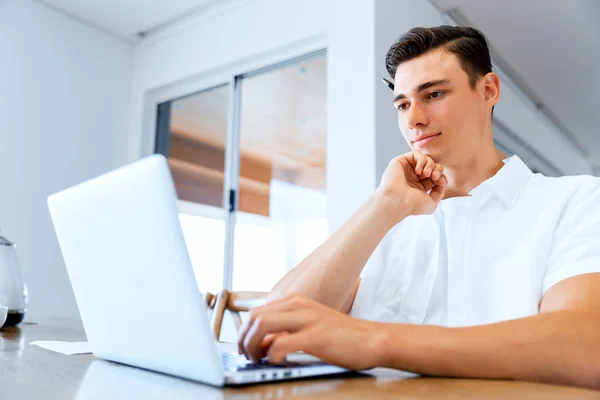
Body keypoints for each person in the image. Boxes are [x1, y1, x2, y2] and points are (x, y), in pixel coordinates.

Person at [237, 26, 600, 388]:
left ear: (488, 90)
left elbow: (586, 347)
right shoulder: (388, 216)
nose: (413, 120)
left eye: (435, 94)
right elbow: (278, 321)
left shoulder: (575, 200)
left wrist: (373, 340)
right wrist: (384, 204)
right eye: (403, 104)